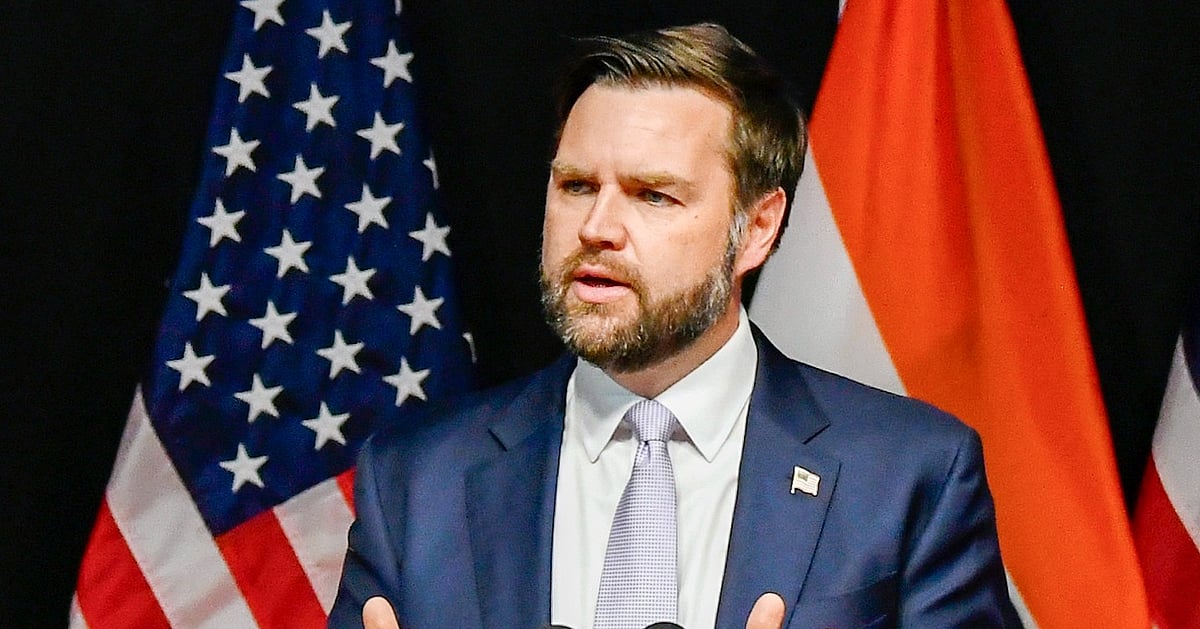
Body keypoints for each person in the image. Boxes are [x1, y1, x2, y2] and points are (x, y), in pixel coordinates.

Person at [328, 23, 1015, 629]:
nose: (596, 228)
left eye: (652, 195)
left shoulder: (908, 476)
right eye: (576, 186)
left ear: (757, 227)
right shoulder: (417, 478)